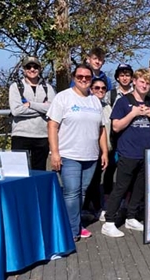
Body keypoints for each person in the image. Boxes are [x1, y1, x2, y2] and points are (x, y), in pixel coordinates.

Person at [47, 63, 108, 241]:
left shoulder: (94, 100)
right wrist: (55, 153)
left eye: (87, 77)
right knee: (71, 192)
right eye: (80, 76)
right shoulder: (63, 98)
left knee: (81, 192)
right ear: (74, 77)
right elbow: (52, 125)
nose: (83, 80)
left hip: (90, 155)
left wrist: (104, 151)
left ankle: (74, 224)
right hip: (69, 154)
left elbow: (101, 129)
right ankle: (71, 230)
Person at [102, 68, 150, 238]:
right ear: (134, 82)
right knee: (121, 187)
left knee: (139, 188)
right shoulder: (124, 102)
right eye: (142, 81)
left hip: (146, 153)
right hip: (128, 152)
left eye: (148, 83)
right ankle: (109, 221)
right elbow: (115, 127)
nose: (144, 85)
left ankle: (131, 217)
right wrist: (133, 113)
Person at [9, 56, 56, 171]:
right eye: (28, 67)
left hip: (42, 136)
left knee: (39, 171)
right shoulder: (16, 87)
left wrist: (31, 104)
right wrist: (42, 109)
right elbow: (16, 110)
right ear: (24, 70)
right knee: (18, 171)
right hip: (20, 135)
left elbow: (53, 109)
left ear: (39, 69)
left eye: (35, 67)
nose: (32, 69)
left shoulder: (47, 87)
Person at [84, 78, 111, 218]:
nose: (100, 91)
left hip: (105, 148)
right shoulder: (87, 105)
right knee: (90, 179)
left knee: (97, 179)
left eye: (103, 88)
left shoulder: (107, 106)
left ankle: (95, 206)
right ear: (91, 89)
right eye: (96, 88)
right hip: (90, 148)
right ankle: (90, 207)